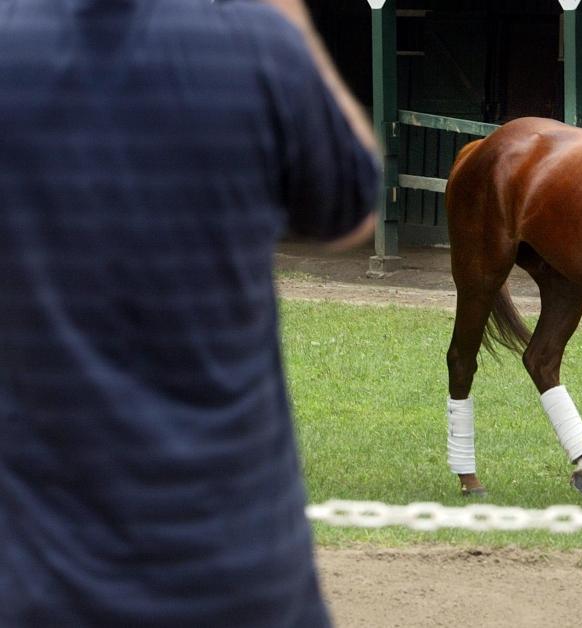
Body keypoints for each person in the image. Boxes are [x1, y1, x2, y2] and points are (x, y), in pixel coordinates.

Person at [0, 1, 379, 625]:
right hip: (240, 583)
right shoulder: (255, 46)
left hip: (37, 587)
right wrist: (290, 20)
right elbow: (354, 204)